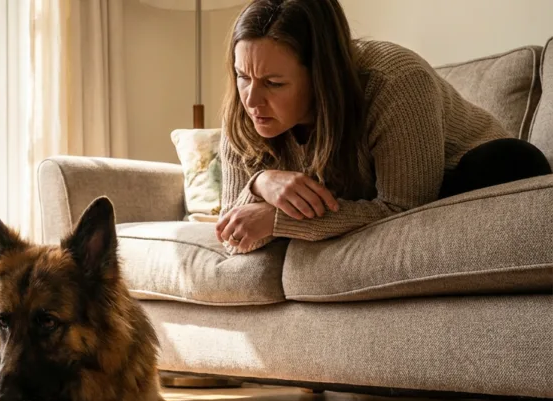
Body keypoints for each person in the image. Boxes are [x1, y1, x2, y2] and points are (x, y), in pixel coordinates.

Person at [214, 0, 552, 254]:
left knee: (507, 160)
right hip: (375, 196)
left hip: (478, 173)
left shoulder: (395, 79)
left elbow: (403, 208)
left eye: (274, 83)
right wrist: (261, 184)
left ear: (321, 77)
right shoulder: (244, 108)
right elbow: (231, 236)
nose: (252, 99)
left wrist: (277, 220)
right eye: (243, 76)